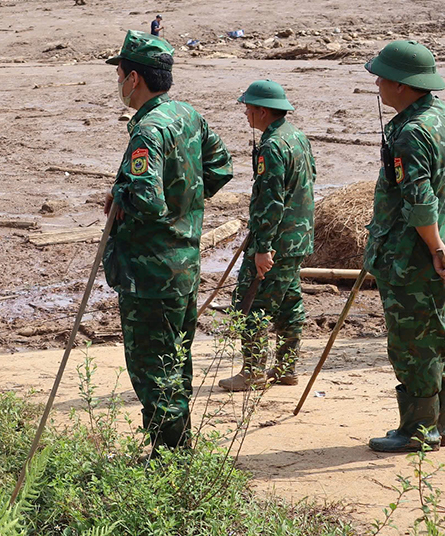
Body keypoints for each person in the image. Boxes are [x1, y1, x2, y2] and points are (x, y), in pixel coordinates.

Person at [103, 30, 233, 452]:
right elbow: (220, 167)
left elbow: (145, 199)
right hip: (184, 263)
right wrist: (187, 205)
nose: (118, 82)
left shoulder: (148, 131)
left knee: (152, 368)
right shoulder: (187, 116)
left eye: (120, 74)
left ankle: (168, 460)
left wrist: (119, 195)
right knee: (176, 360)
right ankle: (179, 451)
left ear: (134, 78)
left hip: (151, 272)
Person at [362, 40, 445, 453]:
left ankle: (419, 430)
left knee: (413, 343)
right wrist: (444, 246)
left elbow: (419, 202)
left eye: (383, 78)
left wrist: (437, 249)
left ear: (403, 86)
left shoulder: (410, 132)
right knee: (439, 338)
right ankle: (442, 425)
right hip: (437, 244)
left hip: (413, 255)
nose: (377, 84)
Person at [218, 80, 315, 391]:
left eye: (248, 108)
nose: (246, 114)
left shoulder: (272, 146)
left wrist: (263, 247)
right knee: (288, 301)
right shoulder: (296, 137)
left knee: (253, 302)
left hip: (277, 241)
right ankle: (287, 367)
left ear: (262, 110)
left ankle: (253, 372)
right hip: (298, 238)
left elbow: (271, 201)